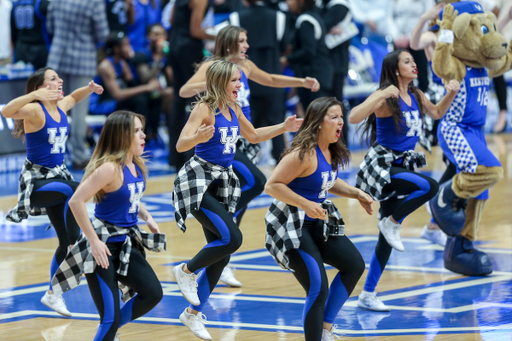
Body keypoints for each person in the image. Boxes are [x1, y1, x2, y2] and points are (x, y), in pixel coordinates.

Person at [172, 59, 303, 340]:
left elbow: (253, 135)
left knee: (222, 252)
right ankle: (186, 270)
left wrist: (284, 126)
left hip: (221, 183)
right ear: (220, 82)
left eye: (239, 80)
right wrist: (198, 136)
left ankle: (192, 314)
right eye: (234, 80)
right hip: (199, 183)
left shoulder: (233, 108)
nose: (239, 85)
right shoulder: (204, 108)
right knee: (232, 238)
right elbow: (181, 144)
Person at [180, 25, 319, 287]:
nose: (246, 45)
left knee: (239, 203)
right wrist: (216, 82)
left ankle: (222, 257)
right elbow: (184, 91)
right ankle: (219, 231)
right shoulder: (215, 67)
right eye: (242, 41)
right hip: (220, 140)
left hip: (242, 136)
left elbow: (270, 80)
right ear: (230, 43)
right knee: (255, 181)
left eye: (246, 40)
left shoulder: (245, 66)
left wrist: (300, 81)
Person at [348, 50, 459, 311]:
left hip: (402, 166)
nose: (413, 64)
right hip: (383, 168)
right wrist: (381, 94)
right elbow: (353, 117)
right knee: (429, 186)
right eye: (407, 61)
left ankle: (367, 293)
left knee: (386, 241)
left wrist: (451, 92)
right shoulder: (387, 97)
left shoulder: (417, 95)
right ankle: (392, 222)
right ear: (396, 69)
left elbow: (437, 112)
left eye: (413, 60)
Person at [265, 97, 372, 341]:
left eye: (341, 117)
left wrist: (356, 193)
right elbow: (271, 186)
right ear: (317, 122)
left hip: (317, 222)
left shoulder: (330, 150)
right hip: (291, 225)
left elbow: (327, 182)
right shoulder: (302, 153)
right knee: (317, 287)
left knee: (354, 264)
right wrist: (305, 203)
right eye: (333, 117)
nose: (340, 122)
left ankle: (324, 329)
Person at [54, 110, 166, 341]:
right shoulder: (109, 169)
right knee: (109, 318)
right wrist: (93, 242)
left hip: (126, 244)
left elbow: (130, 197)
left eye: (142, 130)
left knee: (153, 293)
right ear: (121, 135)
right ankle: (110, 328)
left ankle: (111, 329)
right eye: (137, 131)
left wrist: (146, 216)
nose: (143, 135)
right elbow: (76, 201)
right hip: (102, 249)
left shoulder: (136, 164)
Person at [1, 67, 104, 317]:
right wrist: (35, 95)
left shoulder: (60, 107)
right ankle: (79, 241)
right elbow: (6, 110)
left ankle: (53, 294)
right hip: (36, 183)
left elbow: (75, 97)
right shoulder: (35, 110)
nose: (59, 81)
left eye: (58, 78)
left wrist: (89, 89)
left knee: (65, 240)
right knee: (74, 191)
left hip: (58, 180)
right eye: (53, 79)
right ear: (41, 86)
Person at [46, 0, 110, 169]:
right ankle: (79, 155)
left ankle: (49, 154)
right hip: (82, 58)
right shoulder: (94, 2)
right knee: (79, 112)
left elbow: (50, 26)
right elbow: (103, 34)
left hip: (57, 58)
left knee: (52, 109)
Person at [409, 2, 452, 246]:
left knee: (455, 165)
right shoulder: (433, 35)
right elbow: (414, 44)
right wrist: (425, 17)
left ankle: (436, 224)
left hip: (460, 100)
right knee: (451, 163)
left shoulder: (463, 33)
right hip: (441, 102)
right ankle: (437, 219)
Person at [167, 0, 216, 170]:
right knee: (195, 100)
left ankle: (175, 158)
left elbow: (171, 20)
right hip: (188, 47)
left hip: (173, 44)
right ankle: (192, 154)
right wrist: (218, 36)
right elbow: (195, 31)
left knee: (178, 102)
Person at [89, 31, 161, 118]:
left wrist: (129, 61)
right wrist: (147, 88)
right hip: (102, 104)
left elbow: (132, 84)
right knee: (139, 101)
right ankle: (138, 129)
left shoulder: (121, 63)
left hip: (114, 101)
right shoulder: (106, 66)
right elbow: (118, 94)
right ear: (116, 49)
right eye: (126, 45)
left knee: (153, 97)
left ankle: (151, 131)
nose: (130, 48)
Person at [280, 0, 333, 110]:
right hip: (321, 72)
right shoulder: (314, 17)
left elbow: (308, 51)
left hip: (314, 74)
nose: (287, 2)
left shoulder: (305, 21)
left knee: (316, 117)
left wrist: (286, 59)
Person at [10, 0, 51, 70]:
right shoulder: (43, 3)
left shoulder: (16, 5)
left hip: (21, 50)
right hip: (41, 51)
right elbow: (50, 30)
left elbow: (13, 32)